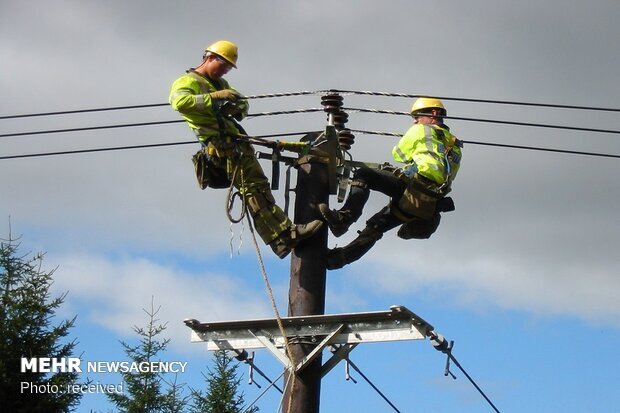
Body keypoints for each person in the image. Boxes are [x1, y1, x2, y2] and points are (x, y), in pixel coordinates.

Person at [169, 40, 322, 258]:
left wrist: (237, 106)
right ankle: (284, 234)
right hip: (220, 147)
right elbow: (180, 103)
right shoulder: (188, 81)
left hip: (236, 145)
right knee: (253, 189)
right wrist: (214, 98)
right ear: (210, 58)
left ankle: (282, 238)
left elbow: (242, 102)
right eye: (224, 65)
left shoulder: (221, 84)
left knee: (258, 188)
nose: (225, 70)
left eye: (229, 67)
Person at [318, 97, 463, 269]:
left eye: (417, 116)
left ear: (433, 113)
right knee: (376, 226)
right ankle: (339, 259)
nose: (415, 120)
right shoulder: (455, 146)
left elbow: (399, 154)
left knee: (364, 174)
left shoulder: (420, 130)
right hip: (428, 202)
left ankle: (345, 218)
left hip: (414, 187)